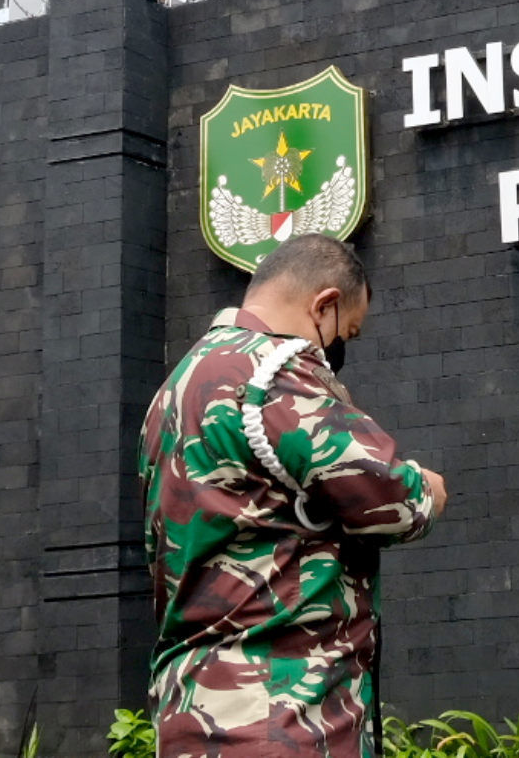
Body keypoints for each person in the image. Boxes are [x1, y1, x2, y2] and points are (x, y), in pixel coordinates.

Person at [141, 233, 449, 758]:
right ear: (323, 306)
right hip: (282, 712)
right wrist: (429, 487)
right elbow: (394, 503)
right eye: (345, 333)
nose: (338, 350)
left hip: (192, 711)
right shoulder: (272, 374)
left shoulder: (174, 388)